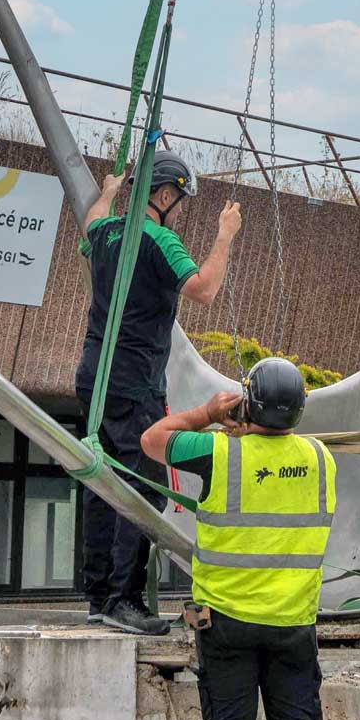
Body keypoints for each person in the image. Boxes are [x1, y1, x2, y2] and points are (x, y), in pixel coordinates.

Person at [139, 357, 333, 720]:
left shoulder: (217, 452)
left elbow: (153, 440)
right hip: (293, 624)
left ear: (247, 403)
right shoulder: (320, 459)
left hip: (224, 624)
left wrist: (207, 412)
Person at [76, 150, 241, 635]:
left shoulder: (107, 234)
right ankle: (123, 599)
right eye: (181, 201)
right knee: (141, 486)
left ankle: (98, 594)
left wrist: (107, 192)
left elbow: (92, 222)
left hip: (94, 375)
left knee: (100, 480)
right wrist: (225, 234)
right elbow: (204, 290)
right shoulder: (160, 240)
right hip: (135, 382)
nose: (183, 211)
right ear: (164, 196)